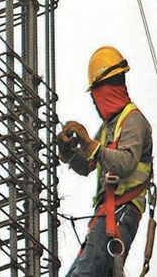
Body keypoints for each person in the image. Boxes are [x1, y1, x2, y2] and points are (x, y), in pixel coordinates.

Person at [57, 46, 153, 276]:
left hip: (121, 210)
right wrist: (71, 154)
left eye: (95, 95)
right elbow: (89, 165)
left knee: (86, 273)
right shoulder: (108, 127)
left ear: (107, 89)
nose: (94, 102)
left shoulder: (133, 121)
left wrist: (91, 146)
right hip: (107, 214)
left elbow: (125, 163)